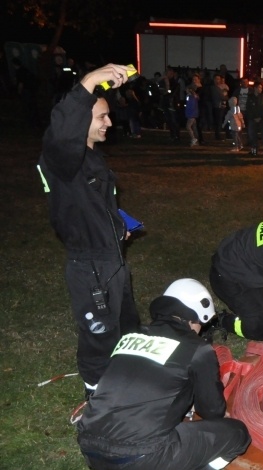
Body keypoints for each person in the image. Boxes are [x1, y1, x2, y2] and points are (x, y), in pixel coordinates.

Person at [77, 279, 251, 470]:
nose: (200, 330)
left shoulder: (131, 337)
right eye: (201, 324)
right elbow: (212, 411)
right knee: (238, 435)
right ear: (194, 317)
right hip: (136, 461)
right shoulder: (197, 349)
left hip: (90, 448)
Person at [37, 64, 141, 401]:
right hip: (91, 266)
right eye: (101, 117)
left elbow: (97, 205)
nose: (109, 123)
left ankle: (127, 382)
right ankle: (97, 400)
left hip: (112, 259)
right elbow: (61, 130)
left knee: (125, 327)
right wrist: (90, 81)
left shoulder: (91, 157)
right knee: (99, 336)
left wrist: (120, 227)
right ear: (80, 121)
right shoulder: (62, 159)